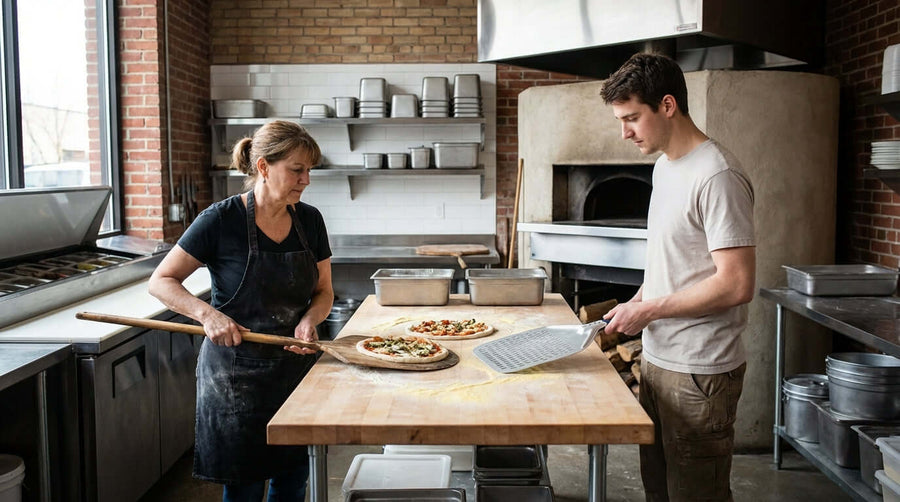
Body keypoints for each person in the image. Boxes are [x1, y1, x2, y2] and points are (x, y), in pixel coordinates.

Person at [148, 120, 334, 501]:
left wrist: (309, 321)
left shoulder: (310, 220)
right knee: (245, 488)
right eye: (297, 170)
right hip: (236, 378)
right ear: (263, 167)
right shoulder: (220, 219)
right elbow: (161, 281)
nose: (307, 180)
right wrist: (208, 315)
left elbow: (323, 291)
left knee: (292, 482)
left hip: (293, 373)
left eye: (309, 170)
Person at [600, 53, 756, 502]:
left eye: (632, 118)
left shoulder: (717, 175)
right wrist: (638, 302)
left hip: (700, 372)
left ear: (667, 105)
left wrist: (649, 310)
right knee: (658, 490)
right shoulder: (665, 167)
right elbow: (674, 263)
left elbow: (736, 284)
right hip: (658, 360)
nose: (624, 132)